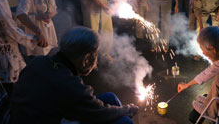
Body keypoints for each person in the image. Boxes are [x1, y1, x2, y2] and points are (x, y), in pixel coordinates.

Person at [11, 27, 139, 124]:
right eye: (95, 55)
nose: (95, 61)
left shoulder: (40, 61)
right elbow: (100, 112)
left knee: (110, 98)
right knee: (124, 121)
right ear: (86, 59)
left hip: (26, 116)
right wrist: (128, 109)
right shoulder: (69, 85)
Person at [0, 0, 44, 95]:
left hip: (1, 60)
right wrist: (33, 40)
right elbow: (8, 28)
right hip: (4, 61)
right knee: (12, 99)